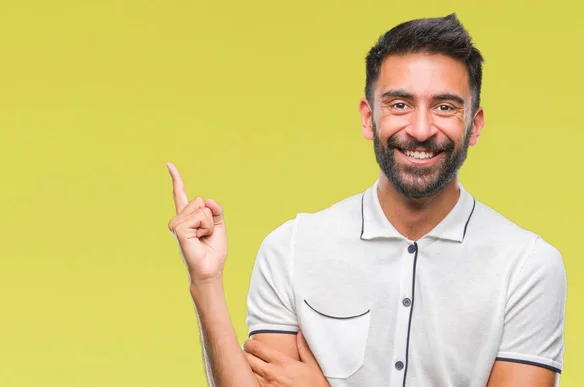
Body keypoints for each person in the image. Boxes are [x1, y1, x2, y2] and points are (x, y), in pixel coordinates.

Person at [166, 13, 567, 387]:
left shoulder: (528, 267)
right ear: (367, 118)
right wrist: (206, 282)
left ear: (474, 126)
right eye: (399, 104)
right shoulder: (291, 248)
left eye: (445, 107)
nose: (422, 128)